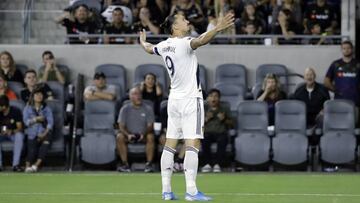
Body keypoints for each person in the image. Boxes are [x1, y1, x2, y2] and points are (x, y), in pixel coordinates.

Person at [139, 10, 234, 201]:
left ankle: (166, 190)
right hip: (191, 99)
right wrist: (217, 28)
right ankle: (191, 191)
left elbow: (149, 48)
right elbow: (200, 40)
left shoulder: (164, 45)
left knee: (170, 144)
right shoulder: (184, 43)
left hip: (173, 100)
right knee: (193, 143)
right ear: (175, 26)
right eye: (183, 20)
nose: (187, 21)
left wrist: (142, 41)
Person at [116, 87, 155, 173]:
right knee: (119, 136)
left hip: (143, 135)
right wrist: (128, 135)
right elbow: (121, 126)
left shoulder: (148, 108)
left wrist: (143, 134)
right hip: (129, 136)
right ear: (130, 97)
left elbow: (150, 126)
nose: (138, 96)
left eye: (139, 94)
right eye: (135, 94)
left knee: (151, 136)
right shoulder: (125, 109)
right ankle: (125, 164)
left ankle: (149, 164)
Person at [201, 89, 233, 173]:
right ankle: (207, 164)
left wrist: (224, 119)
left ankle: (217, 164)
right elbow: (197, 124)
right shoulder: (203, 108)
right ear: (207, 98)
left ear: (219, 98)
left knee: (223, 139)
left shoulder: (224, 108)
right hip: (207, 133)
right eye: (211, 96)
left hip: (220, 132)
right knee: (204, 139)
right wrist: (206, 119)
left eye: (215, 96)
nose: (213, 99)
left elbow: (232, 123)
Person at [23, 88, 54, 172]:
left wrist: (44, 133)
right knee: (32, 149)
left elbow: (50, 123)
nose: (39, 96)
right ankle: (27, 166)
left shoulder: (47, 109)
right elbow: (26, 122)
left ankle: (36, 165)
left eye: (40, 94)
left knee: (46, 143)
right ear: (32, 97)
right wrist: (36, 119)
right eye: (36, 95)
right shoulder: (27, 108)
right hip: (32, 132)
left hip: (44, 132)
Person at [324, 41, 360, 107]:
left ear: (352, 49)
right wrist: (336, 90)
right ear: (341, 50)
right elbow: (326, 81)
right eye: (344, 48)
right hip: (339, 100)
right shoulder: (335, 64)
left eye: (348, 48)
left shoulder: (358, 64)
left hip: (356, 101)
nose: (346, 50)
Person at [0, 95, 24, 172]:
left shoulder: (15, 111)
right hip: (2, 134)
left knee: (19, 136)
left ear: (4, 106)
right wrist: (2, 132)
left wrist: (11, 131)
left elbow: (20, 128)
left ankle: (15, 165)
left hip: (14, 133)